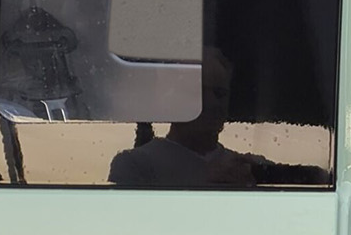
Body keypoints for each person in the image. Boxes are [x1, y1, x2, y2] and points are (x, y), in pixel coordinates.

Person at [109, 48, 329, 187]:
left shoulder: (246, 168)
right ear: (173, 99)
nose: (213, 103)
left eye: (220, 93)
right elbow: (129, 230)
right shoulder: (134, 165)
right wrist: (204, 185)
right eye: (197, 92)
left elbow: (321, 179)